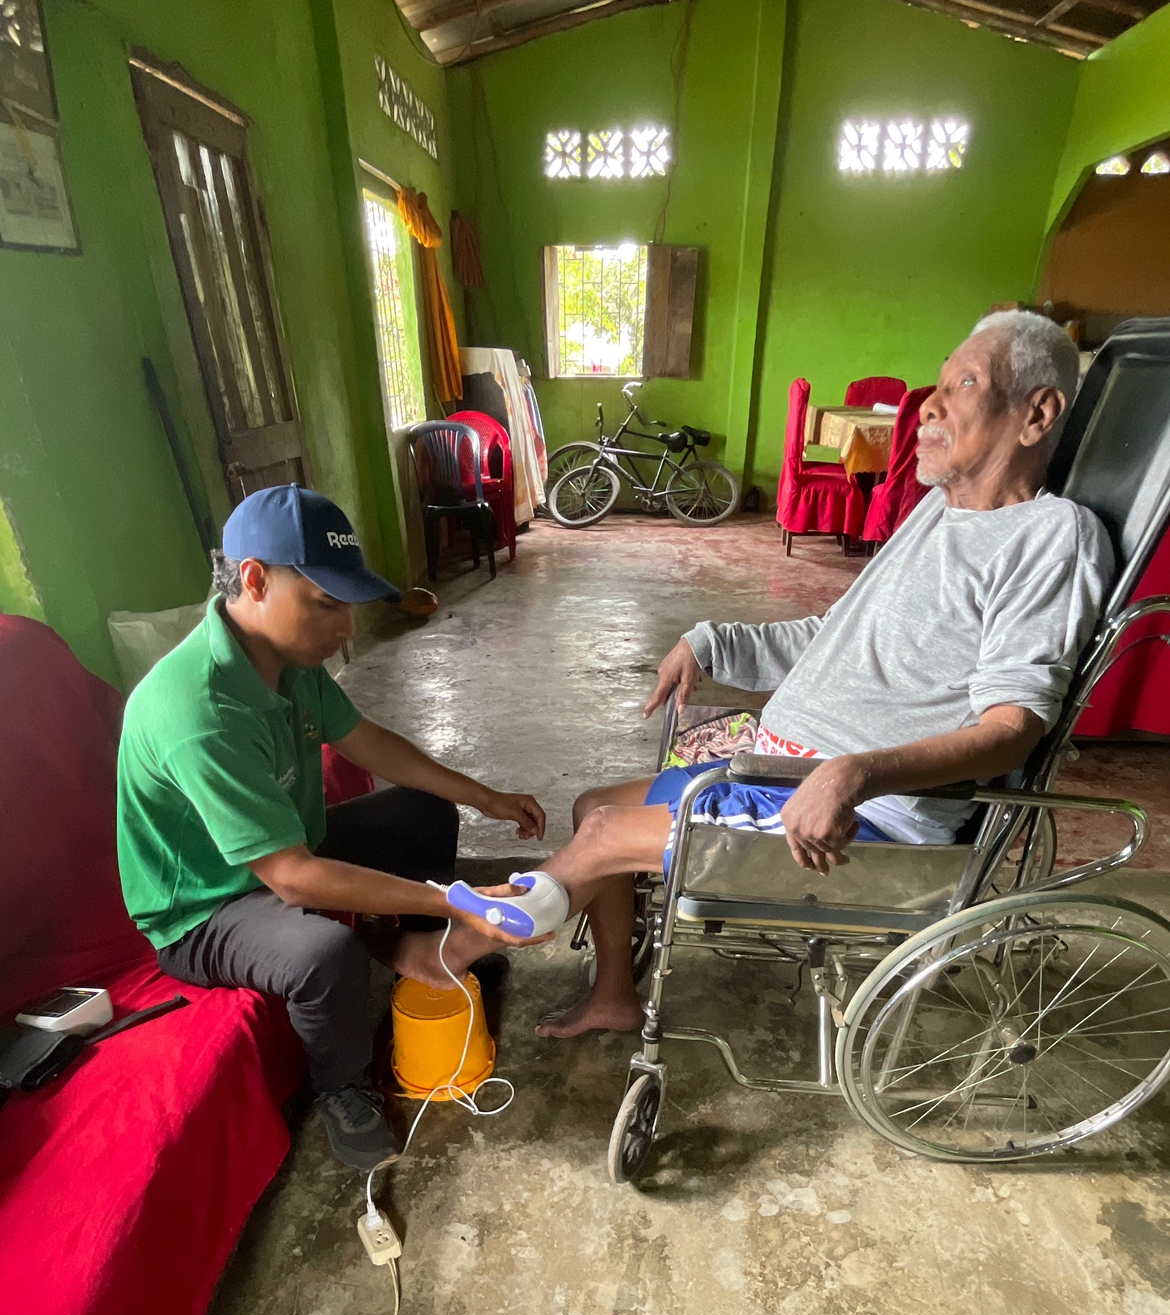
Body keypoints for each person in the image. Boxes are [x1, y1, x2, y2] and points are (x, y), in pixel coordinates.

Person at [414, 311, 1112, 1037]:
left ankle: (448, 955)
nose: (929, 406)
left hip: (866, 814)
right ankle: (614, 995)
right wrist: (711, 641)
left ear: (1038, 414)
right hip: (781, 767)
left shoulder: (1050, 538)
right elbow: (834, 635)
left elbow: (1013, 729)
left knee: (602, 838)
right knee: (594, 807)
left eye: (963, 384)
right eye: (937, 384)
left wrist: (853, 774)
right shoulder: (938, 511)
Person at [116, 485, 545, 1168]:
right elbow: (292, 878)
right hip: (205, 907)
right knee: (324, 955)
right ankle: (341, 1088)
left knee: (424, 812)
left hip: (286, 846)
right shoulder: (197, 712)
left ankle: (423, 955)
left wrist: (484, 797)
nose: (347, 628)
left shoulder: (287, 661)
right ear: (255, 580)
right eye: (327, 603)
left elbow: (367, 742)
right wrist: (456, 899)